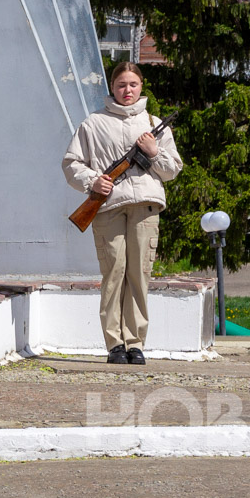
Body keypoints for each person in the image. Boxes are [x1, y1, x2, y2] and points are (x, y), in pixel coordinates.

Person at [63, 61, 183, 364]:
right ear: (112, 87)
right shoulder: (93, 123)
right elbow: (72, 163)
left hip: (145, 206)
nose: (127, 90)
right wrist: (94, 180)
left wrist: (154, 152)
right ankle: (115, 345)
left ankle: (136, 343)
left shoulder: (154, 123)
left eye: (132, 84)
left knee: (139, 275)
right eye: (121, 85)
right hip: (107, 207)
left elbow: (172, 170)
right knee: (114, 274)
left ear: (141, 86)